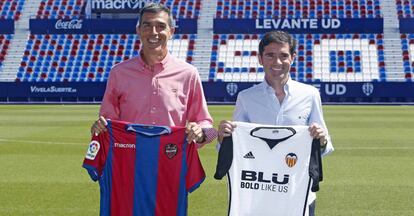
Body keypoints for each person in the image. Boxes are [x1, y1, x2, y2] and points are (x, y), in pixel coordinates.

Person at [217, 30, 334, 215]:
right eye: (270, 55)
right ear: (260, 59)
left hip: (299, 194)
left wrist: (322, 138)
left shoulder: (310, 94)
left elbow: (325, 147)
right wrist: (224, 137)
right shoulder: (246, 98)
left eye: (284, 56)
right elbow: (235, 149)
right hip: (258, 194)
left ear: (293, 58)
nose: (277, 62)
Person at [91, 3, 217, 146]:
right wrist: (99, 128)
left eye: (161, 26)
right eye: (147, 26)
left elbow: (205, 122)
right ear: (138, 30)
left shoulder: (188, 73)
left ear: (171, 31)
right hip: (129, 160)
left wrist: (199, 131)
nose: (154, 32)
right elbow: (107, 123)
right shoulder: (118, 73)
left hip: (171, 160)